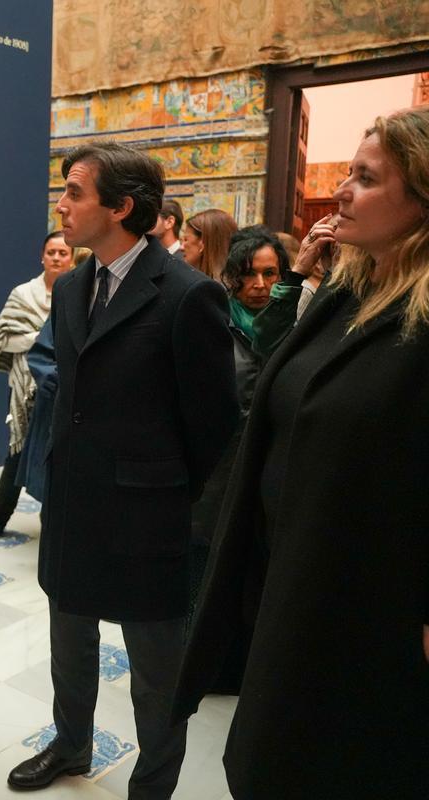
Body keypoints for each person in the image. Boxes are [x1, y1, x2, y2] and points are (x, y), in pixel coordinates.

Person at [176, 107, 429, 800]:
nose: (341, 191)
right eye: (348, 173)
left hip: (366, 606)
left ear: (421, 200)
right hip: (288, 579)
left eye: (366, 179)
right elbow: (276, 373)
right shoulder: (348, 290)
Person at [8, 142, 237, 798]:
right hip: (72, 504)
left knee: (155, 673)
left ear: (121, 207)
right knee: (69, 643)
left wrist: (163, 488)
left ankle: (152, 784)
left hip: (147, 516)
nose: (61, 205)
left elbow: (214, 423)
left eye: (74, 192)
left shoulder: (188, 295)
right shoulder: (71, 286)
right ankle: (70, 745)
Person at [186, 226, 287, 647]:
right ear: (232, 275)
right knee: (204, 571)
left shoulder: (293, 325)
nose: (259, 284)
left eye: (270, 273)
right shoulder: (213, 320)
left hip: (272, 473)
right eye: (249, 274)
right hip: (218, 474)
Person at [0, 230, 73, 542]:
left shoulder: (76, 294)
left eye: (63, 253)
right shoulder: (23, 294)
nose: (56, 258)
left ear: (72, 258)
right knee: (17, 453)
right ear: (42, 257)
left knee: (57, 458)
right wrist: (40, 338)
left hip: (60, 389)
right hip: (23, 387)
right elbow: (1, 339)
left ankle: (52, 526)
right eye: (51, 252)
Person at [252, 216, 337, 359]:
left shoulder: (305, 289)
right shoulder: (300, 284)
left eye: (269, 273)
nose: (260, 284)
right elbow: (267, 341)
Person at [181, 208, 237, 281]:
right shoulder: (233, 282)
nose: (181, 247)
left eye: (186, 240)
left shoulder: (210, 285)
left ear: (202, 244)